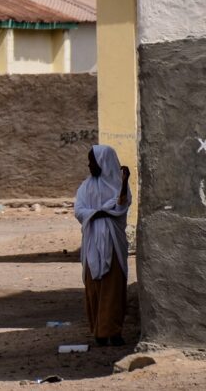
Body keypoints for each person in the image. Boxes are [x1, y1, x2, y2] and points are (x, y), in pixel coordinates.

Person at [74, 145, 131, 347]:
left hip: (113, 243)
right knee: (94, 288)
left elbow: (121, 205)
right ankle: (99, 331)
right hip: (92, 244)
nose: (90, 165)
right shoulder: (86, 186)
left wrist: (125, 182)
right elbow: (79, 211)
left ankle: (113, 331)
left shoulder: (118, 184)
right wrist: (100, 212)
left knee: (113, 288)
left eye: (93, 161)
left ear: (103, 162)